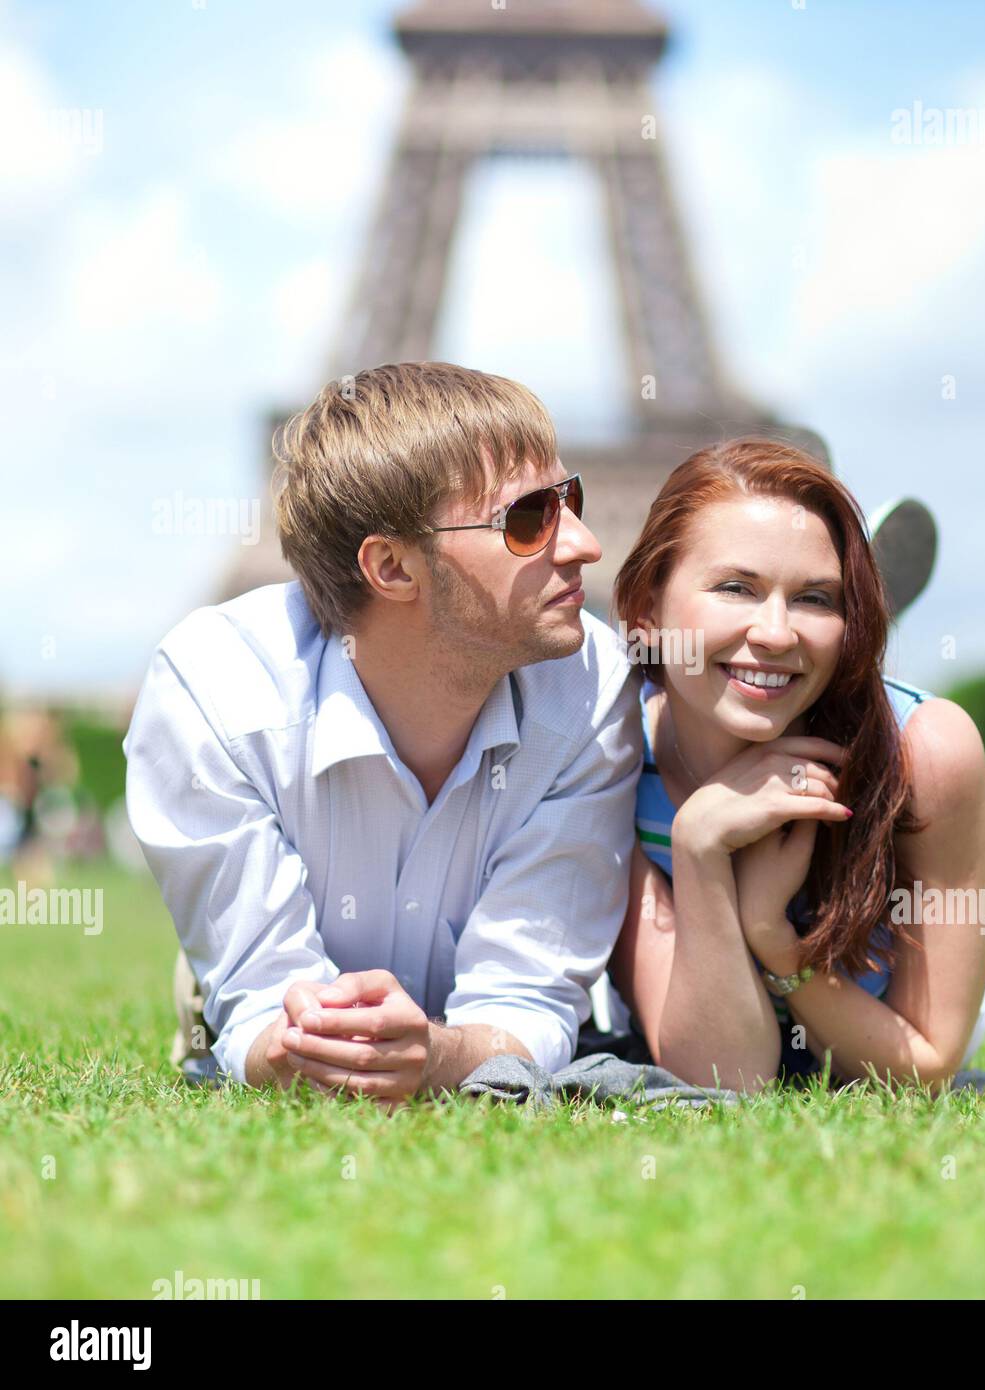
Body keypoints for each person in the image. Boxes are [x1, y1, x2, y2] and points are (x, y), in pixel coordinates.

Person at [123, 362, 642, 1108]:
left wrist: (438, 1055)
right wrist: (292, 1037)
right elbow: (268, 1008)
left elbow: (525, 998)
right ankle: (201, 972)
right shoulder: (213, 691)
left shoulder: (594, 686)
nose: (587, 545)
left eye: (574, 500)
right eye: (531, 518)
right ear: (393, 566)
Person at [605, 437, 985, 1095]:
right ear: (646, 607)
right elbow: (723, 1079)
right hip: (713, 1020)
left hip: (880, 1010)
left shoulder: (929, 752)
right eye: (736, 587)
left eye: (818, 599)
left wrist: (773, 935)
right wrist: (698, 849)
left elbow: (926, 1065)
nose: (777, 632)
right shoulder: (607, 756)